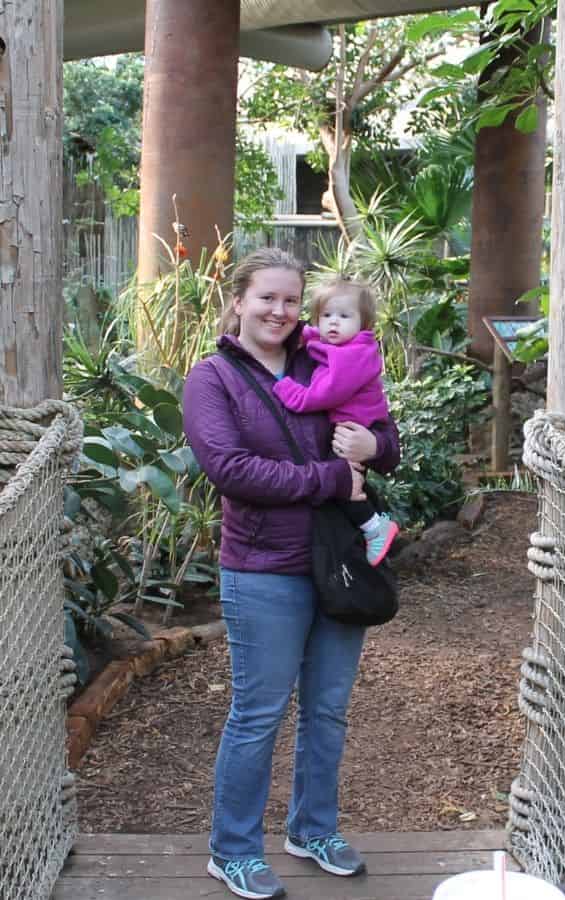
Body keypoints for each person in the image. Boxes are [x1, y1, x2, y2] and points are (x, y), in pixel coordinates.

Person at [182, 248, 402, 900]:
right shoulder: (213, 379)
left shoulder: (325, 359)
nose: (278, 311)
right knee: (259, 713)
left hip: (336, 562)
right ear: (238, 302)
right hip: (263, 570)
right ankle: (234, 850)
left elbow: (383, 436)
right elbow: (233, 471)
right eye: (265, 298)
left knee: (328, 711)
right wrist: (335, 475)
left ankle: (311, 829)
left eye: (288, 300)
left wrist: (374, 446)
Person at [272, 277, 400, 565]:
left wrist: (283, 388)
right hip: (349, 425)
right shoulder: (342, 345)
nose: (333, 323)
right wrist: (305, 334)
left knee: (342, 485)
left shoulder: (354, 356)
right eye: (326, 316)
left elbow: (322, 395)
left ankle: (374, 527)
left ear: (364, 323)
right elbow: (315, 337)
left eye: (344, 316)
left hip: (353, 428)